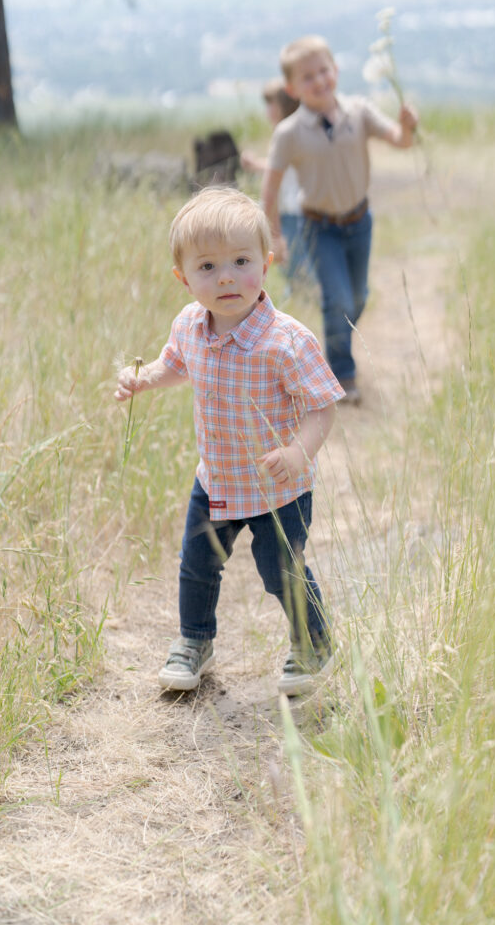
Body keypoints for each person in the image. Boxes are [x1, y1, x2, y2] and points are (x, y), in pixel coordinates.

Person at [115, 187, 344, 697]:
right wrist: (142, 380)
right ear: (184, 278)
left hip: (275, 486)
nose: (226, 277)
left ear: (264, 264)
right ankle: (195, 642)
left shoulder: (286, 340)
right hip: (215, 479)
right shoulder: (189, 326)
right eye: (208, 267)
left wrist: (298, 452)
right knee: (197, 565)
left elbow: (321, 405)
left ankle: (313, 642)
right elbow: (173, 366)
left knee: (280, 569)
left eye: (241, 262)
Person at [262, 34, 418, 403]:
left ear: (336, 70)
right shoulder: (289, 133)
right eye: (307, 77)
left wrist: (408, 125)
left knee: (357, 298)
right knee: (339, 301)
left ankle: (335, 342)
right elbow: (269, 189)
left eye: (323, 71)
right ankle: (341, 377)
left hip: (360, 223)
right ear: (292, 87)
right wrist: (276, 236)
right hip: (319, 227)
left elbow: (400, 140)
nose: (319, 81)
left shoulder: (359, 112)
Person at [241, 79, 311, 287]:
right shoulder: (294, 131)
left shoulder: (289, 133)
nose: (268, 110)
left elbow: (282, 168)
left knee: (293, 264)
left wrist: (255, 164)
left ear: (284, 105)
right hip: (289, 206)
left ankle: (299, 303)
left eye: (272, 104)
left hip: (292, 207)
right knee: (292, 264)